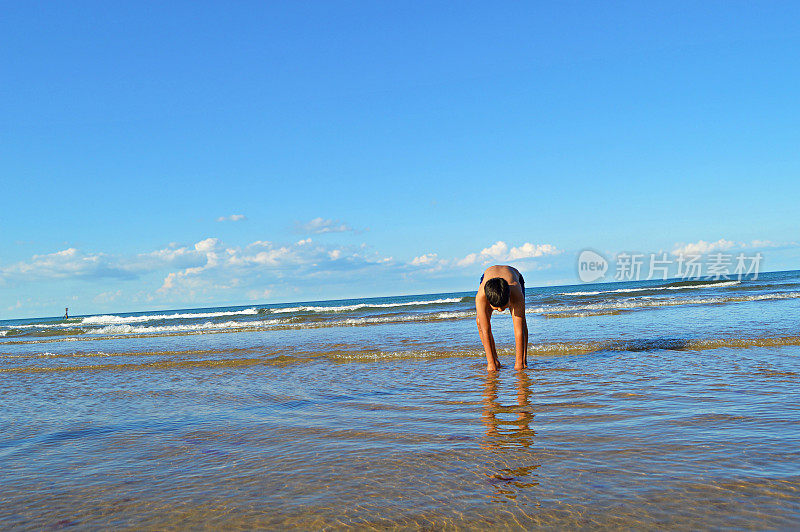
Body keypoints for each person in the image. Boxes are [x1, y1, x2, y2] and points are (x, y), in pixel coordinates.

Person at [475, 265, 528, 371]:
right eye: (496, 307)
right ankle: (494, 361)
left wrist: (519, 364)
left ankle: (523, 360)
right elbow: (486, 330)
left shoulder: (516, 293)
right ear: (488, 301)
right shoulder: (481, 297)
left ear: (509, 297)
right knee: (480, 322)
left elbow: (518, 331)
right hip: (488, 278)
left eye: (504, 306)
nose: (500, 310)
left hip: (514, 276)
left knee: (521, 322)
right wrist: (490, 364)